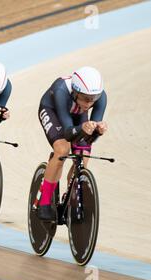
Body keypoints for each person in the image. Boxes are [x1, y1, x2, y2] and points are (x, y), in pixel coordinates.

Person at [37, 66, 108, 221]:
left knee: (83, 154)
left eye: (93, 98)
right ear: (75, 92)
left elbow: (89, 140)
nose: (89, 103)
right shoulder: (61, 90)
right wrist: (83, 128)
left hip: (77, 117)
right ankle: (44, 201)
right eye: (84, 97)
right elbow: (69, 132)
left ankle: (71, 197)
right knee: (62, 149)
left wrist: (97, 131)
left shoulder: (101, 97)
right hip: (53, 111)